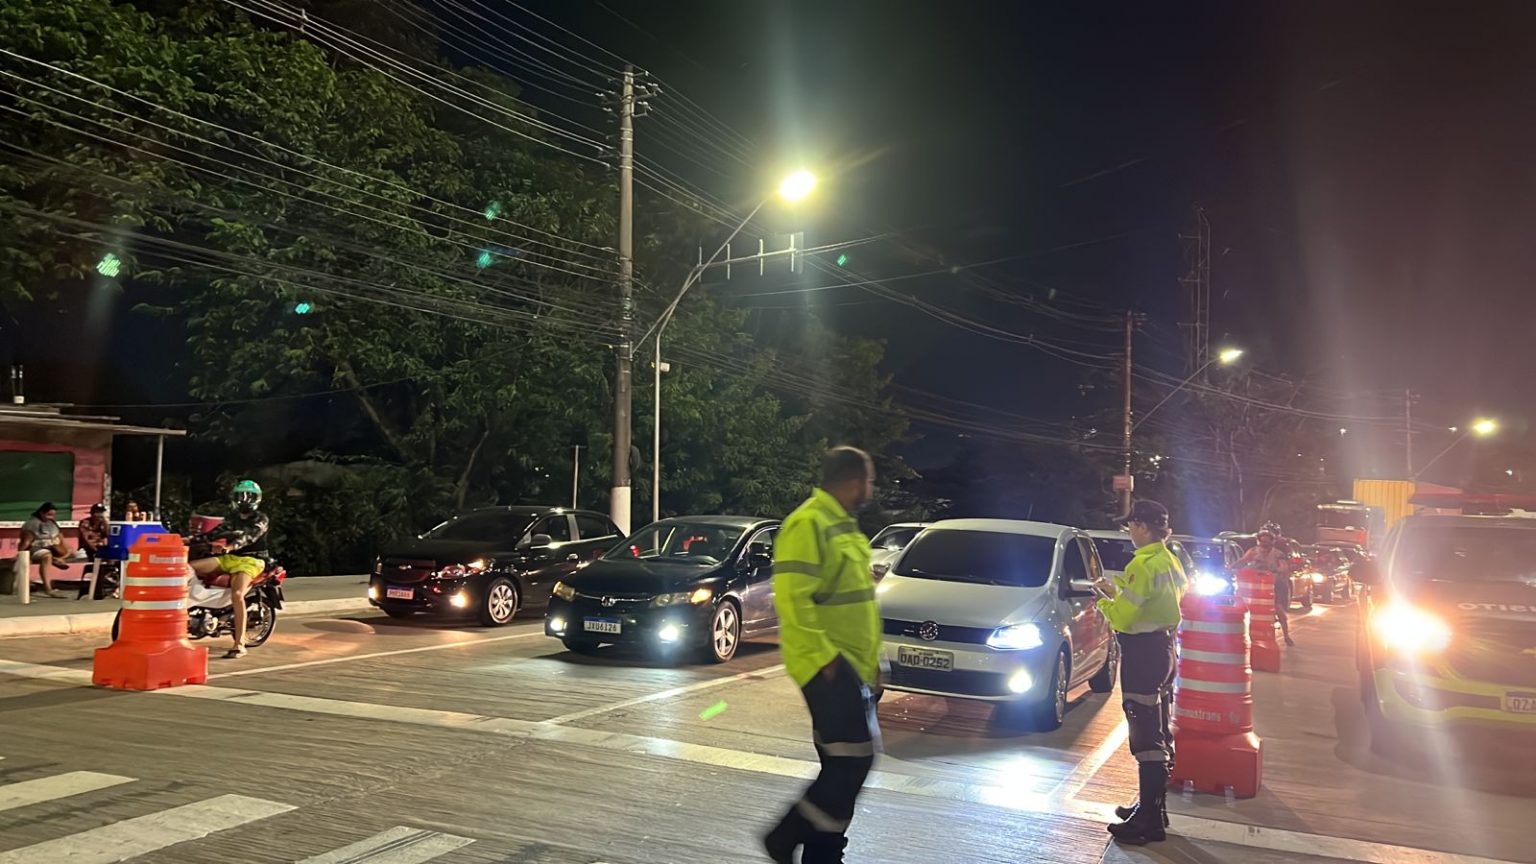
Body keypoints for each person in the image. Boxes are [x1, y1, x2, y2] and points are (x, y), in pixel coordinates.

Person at [763, 447, 883, 864]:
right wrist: (826, 661)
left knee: (843, 767)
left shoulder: (845, 527)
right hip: (827, 666)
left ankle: (823, 854)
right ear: (853, 481)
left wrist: (871, 669)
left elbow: (856, 605)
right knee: (854, 763)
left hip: (852, 667)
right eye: (869, 480)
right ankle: (785, 836)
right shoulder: (808, 522)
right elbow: (793, 601)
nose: (871, 488)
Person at [1097, 499, 1187, 846]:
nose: (1129, 531)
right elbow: (1153, 602)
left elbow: (1124, 618)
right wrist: (1118, 593)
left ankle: (1148, 820)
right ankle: (1152, 806)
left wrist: (1104, 599)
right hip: (1163, 650)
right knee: (1160, 728)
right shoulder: (1170, 560)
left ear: (1144, 527)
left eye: (1131, 525)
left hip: (1143, 654)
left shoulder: (1144, 565)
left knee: (1145, 736)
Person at [188, 480, 269, 658]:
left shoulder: (261, 519)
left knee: (238, 594)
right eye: (241, 496)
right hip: (230, 558)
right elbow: (213, 533)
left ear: (257, 499)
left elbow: (249, 537)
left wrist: (230, 547)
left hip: (252, 561)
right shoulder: (233, 518)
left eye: (248, 496)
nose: (244, 500)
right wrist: (187, 540)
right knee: (187, 569)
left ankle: (239, 644)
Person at [1236, 523, 1295, 646]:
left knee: (1279, 610)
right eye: (1262, 542)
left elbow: (1283, 567)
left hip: (1272, 587)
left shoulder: (1278, 554)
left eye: (1267, 542)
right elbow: (1242, 561)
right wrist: (1230, 567)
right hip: (1254, 586)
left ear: (1272, 542)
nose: (1264, 545)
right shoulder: (1253, 552)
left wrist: (1279, 570)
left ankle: (1286, 635)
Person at [18, 502, 70, 597]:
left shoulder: (53, 524)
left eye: (53, 515)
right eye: (49, 515)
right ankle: (48, 588)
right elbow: (26, 542)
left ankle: (57, 560)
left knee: (70, 551)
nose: (51, 517)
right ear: (41, 513)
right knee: (47, 556)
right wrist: (19, 555)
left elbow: (61, 540)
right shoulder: (32, 524)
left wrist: (63, 555)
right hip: (35, 549)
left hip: (52, 548)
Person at [76, 503, 114, 599]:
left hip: (101, 547)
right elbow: (86, 540)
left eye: (101, 513)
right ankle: (98, 588)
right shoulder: (85, 523)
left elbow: (108, 535)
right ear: (92, 513)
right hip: (89, 548)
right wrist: (96, 550)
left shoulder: (102, 522)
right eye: (97, 512)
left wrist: (105, 522)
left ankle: (108, 580)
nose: (99, 515)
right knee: (99, 560)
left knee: (115, 557)